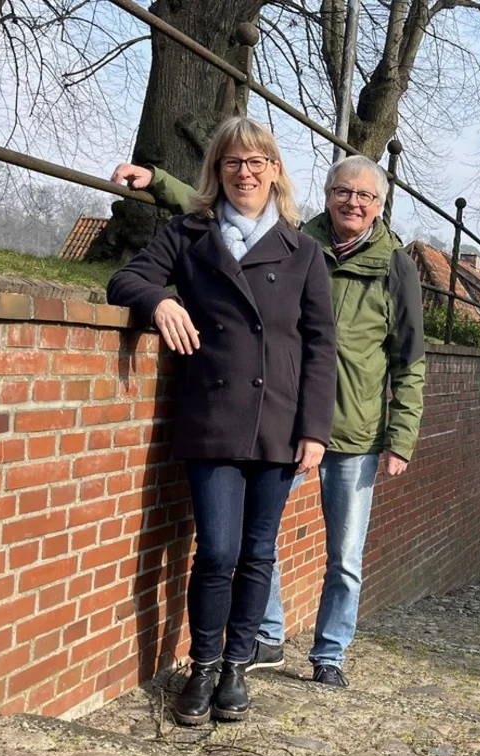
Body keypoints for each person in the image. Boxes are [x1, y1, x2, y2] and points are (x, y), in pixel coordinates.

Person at [111, 152, 425, 688]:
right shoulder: (299, 240)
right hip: (288, 418)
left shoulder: (395, 266)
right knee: (260, 539)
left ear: (380, 205)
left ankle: (330, 653)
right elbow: (232, 206)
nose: (353, 203)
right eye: (343, 192)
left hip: (355, 429)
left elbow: (410, 358)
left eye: (365, 196)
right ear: (327, 196)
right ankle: (268, 634)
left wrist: (402, 437)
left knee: (345, 556)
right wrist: (158, 181)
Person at [106, 117, 337, 724]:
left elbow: (321, 346)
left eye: (257, 161)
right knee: (216, 551)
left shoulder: (303, 251)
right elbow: (124, 279)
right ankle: (203, 665)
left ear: (275, 171)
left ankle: (236, 666)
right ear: (217, 170)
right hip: (211, 417)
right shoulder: (189, 233)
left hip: (278, 421)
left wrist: (315, 429)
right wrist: (160, 300)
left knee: (257, 552)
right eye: (233, 161)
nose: (245, 172)